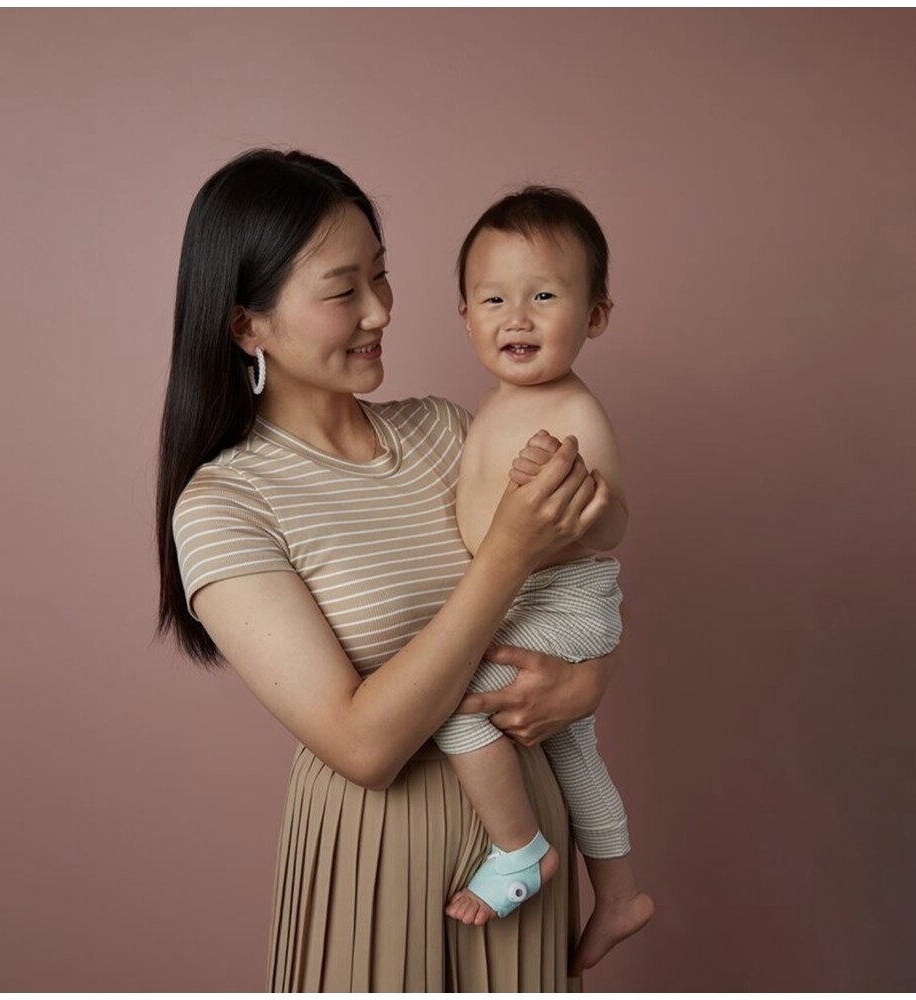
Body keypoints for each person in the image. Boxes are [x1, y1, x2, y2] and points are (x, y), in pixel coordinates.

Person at [156, 148, 622, 991]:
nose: (380, 310)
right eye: (344, 291)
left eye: (381, 274)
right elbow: (363, 746)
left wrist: (585, 683)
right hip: (381, 853)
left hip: (528, 844)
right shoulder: (227, 505)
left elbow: (570, 593)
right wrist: (507, 552)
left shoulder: (448, 429)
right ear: (247, 326)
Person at [431, 187, 654, 969]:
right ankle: (620, 894)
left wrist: (579, 499)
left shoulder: (576, 414)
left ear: (595, 315)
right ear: (466, 316)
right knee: (575, 750)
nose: (517, 318)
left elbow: (614, 525)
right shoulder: (495, 401)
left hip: (564, 602)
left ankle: (518, 846)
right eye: (494, 299)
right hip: (531, 598)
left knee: (454, 703)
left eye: (545, 297)